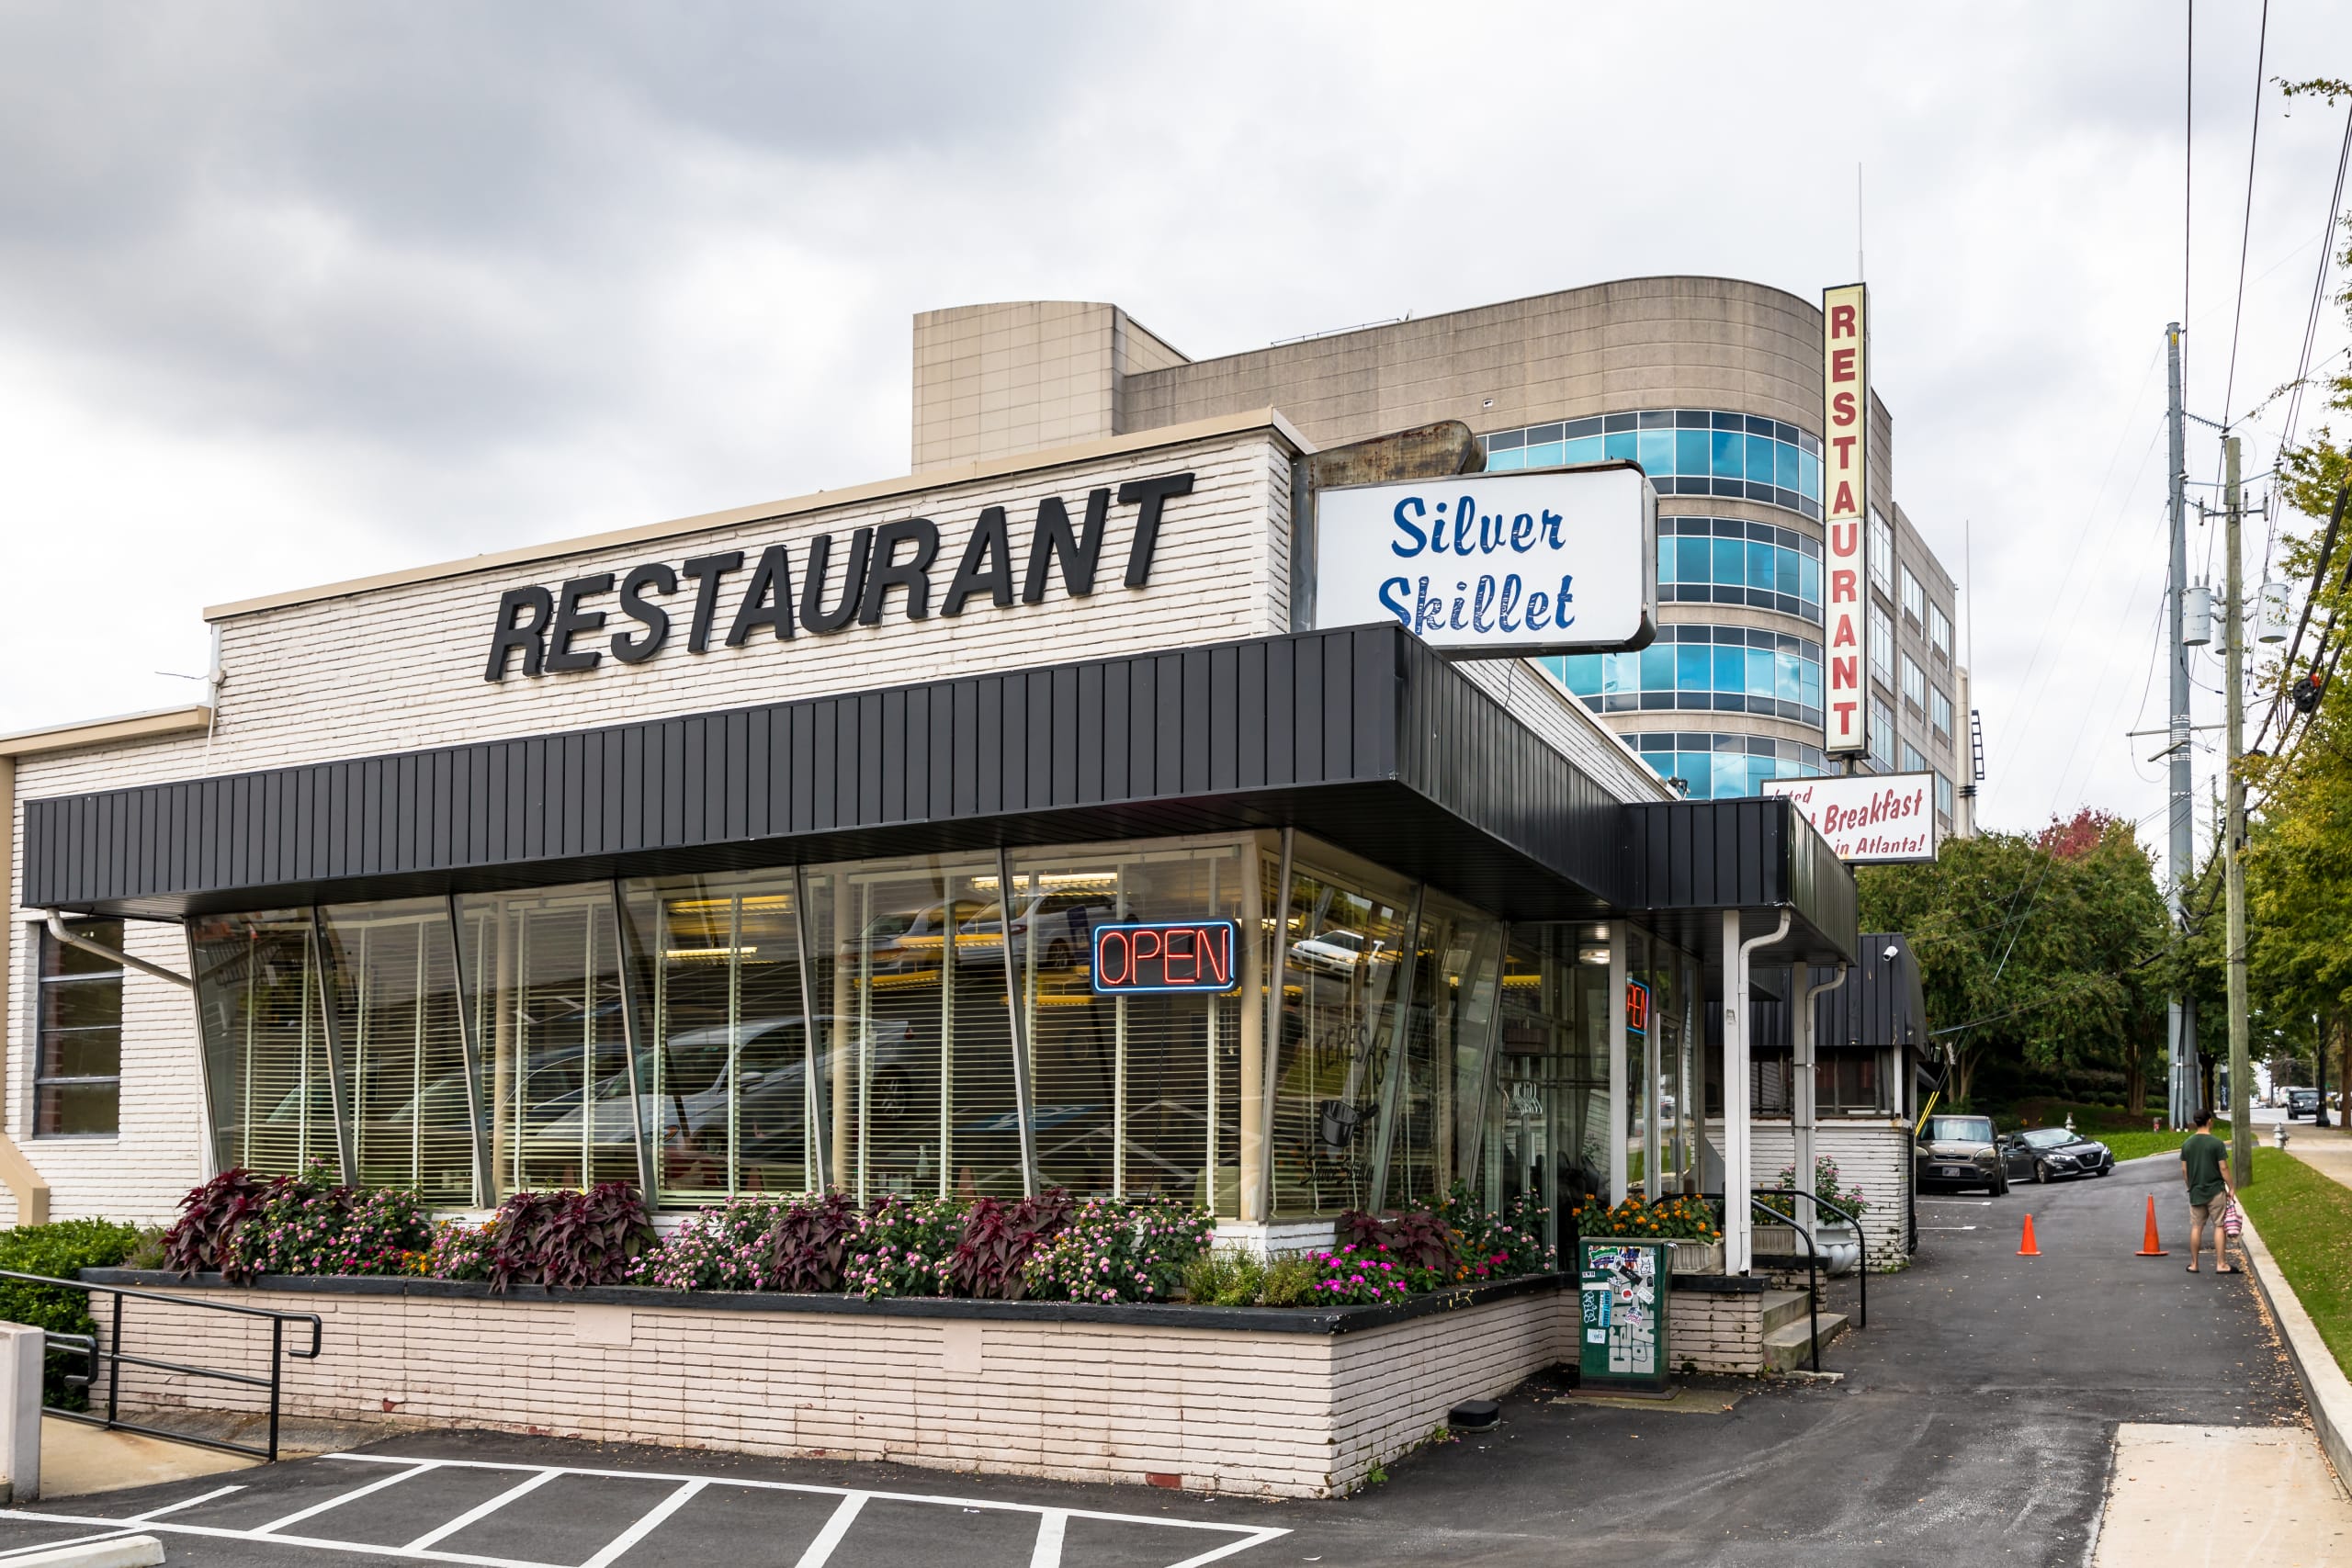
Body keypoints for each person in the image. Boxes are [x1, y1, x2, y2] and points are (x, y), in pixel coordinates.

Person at [2180, 1109, 2234, 1275]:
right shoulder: (2216, 1143)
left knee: (2197, 1226)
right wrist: (2231, 1187)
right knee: (2219, 1226)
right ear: (2209, 1121)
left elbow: (2184, 1170)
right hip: (2215, 1191)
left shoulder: (2187, 1144)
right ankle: (2221, 1264)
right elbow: (2223, 1168)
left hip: (2196, 1191)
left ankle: (2194, 1264)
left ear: (2196, 1122)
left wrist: (2190, 1186)